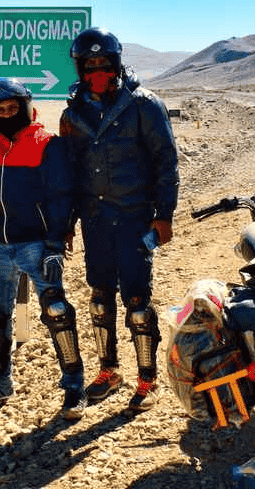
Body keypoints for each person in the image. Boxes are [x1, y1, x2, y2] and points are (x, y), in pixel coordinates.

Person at [59, 27, 180, 412]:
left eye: (103, 62)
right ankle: (109, 371)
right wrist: (66, 221)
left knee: (138, 299)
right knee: (99, 299)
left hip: (134, 219)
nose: (97, 69)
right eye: (89, 64)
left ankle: (149, 378)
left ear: (116, 62)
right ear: (80, 67)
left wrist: (165, 215)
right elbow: (71, 172)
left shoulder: (144, 104)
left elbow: (166, 162)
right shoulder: (72, 114)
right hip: (94, 220)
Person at [0, 77, 86, 420]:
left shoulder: (48, 144)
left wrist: (54, 245)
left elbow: (63, 200)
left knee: (57, 312)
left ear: (26, 107)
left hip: (36, 244)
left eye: (12, 108)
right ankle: (1, 381)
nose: (6, 114)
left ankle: (74, 386)